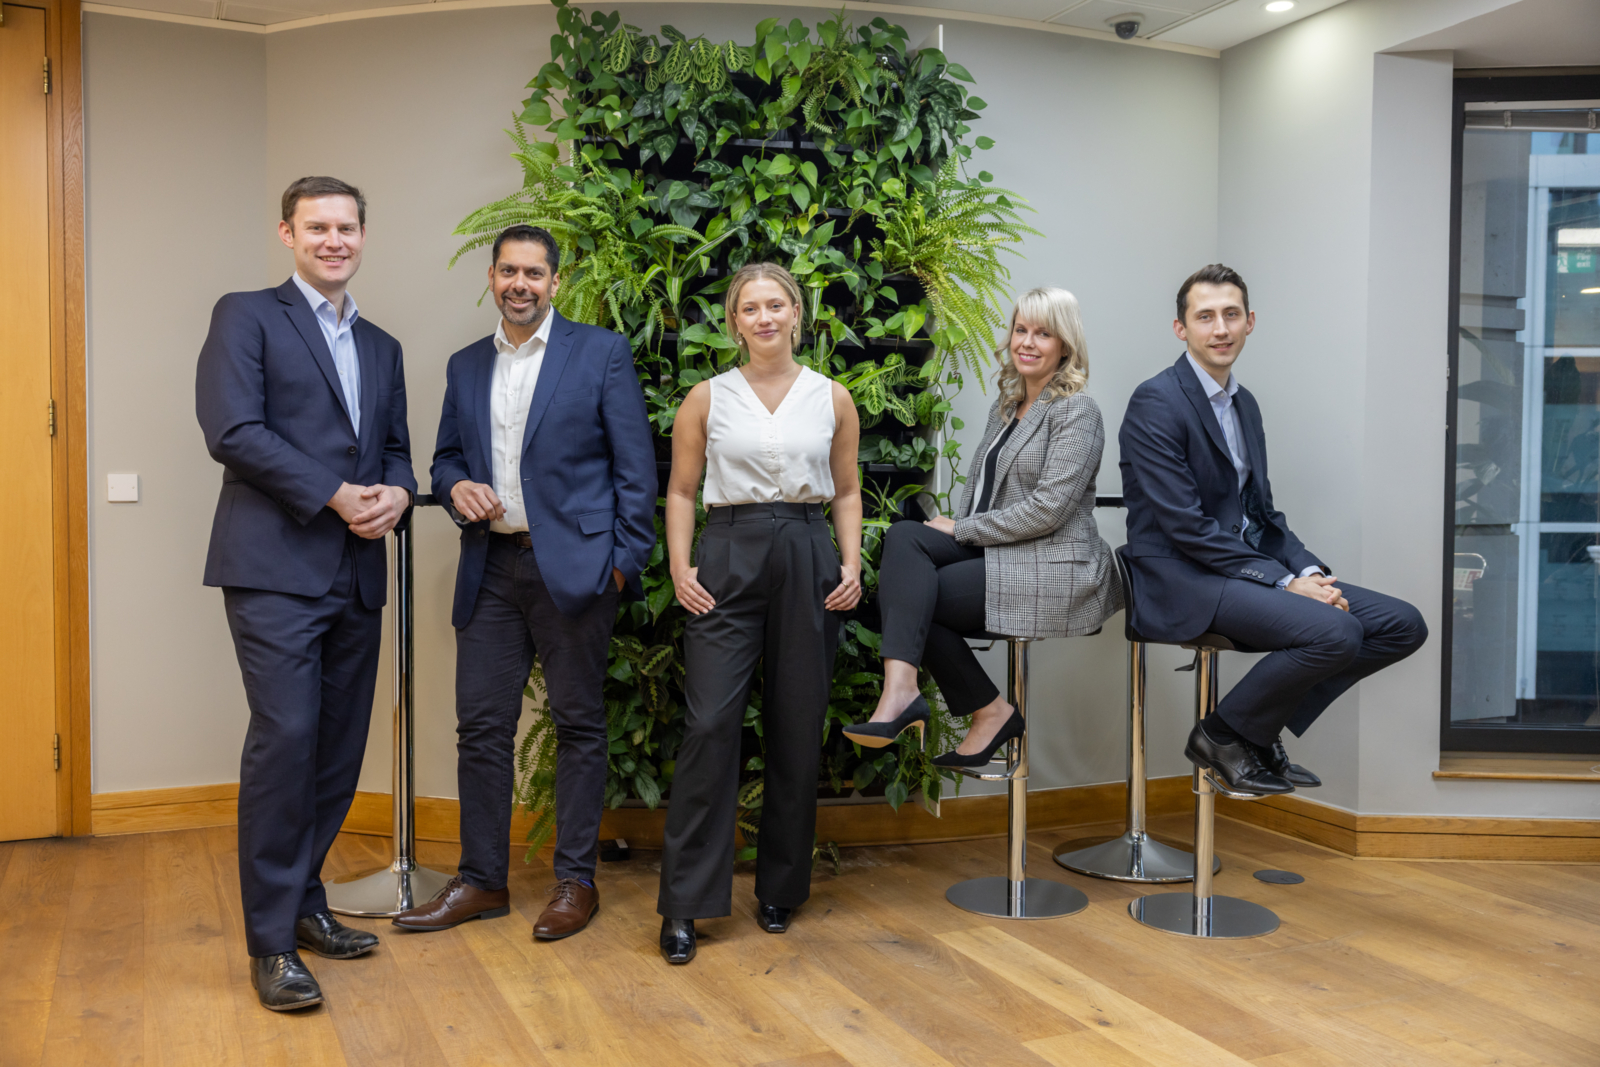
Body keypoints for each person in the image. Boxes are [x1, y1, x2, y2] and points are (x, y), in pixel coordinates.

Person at [394, 225, 657, 941]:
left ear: (555, 282)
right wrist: (457, 489)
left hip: (575, 571)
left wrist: (622, 563)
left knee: (577, 725)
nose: (520, 284)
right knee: (481, 728)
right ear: (490, 277)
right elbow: (445, 459)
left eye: (534, 273)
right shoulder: (465, 364)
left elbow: (637, 470)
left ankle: (576, 881)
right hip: (491, 567)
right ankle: (482, 879)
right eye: (508, 271)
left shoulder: (599, 352)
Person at [196, 176, 416, 1011]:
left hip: (358, 571)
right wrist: (333, 492)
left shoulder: (384, 345)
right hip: (275, 568)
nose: (334, 239)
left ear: (363, 236)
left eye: (347, 227)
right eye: (317, 226)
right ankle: (272, 942)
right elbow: (232, 430)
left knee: (335, 752)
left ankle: (307, 901)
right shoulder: (246, 315)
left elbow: (393, 449)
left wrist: (394, 494)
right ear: (286, 232)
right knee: (285, 743)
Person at [1119, 263, 1427, 795]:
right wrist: (1285, 584)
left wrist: (1309, 572)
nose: (1220, 328)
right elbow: (1186, 527)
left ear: (1250, 321)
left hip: (1238, 573)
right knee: (1336, 631)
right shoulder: (1157, 400)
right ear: (1181, 328)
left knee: (1402, 624)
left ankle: (1253, 730)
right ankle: (1222, 735)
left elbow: (1261, 515)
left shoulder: (1244, 403)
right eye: (1205, 316)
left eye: (1231, 315)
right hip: (1178, 578)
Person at [656, 262, 863, 965]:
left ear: (798, 314)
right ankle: (685, 902)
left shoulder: (832, 397)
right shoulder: (706, 398)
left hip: (808, 551)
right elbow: (682, 491)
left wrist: (852, 562)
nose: (765, 316)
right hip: (729, 549)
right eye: (751, 307)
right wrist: (683, 566)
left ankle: (781, 885)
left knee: (797, 723)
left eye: (777, 304)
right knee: (710, 722)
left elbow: (846, 489)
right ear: (734, 320)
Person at [843, 287, 1120, 764]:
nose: (1027, 342)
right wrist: (962, 528)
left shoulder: (1078, 411)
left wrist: (963, 530)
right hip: (1003, 550)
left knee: (918, 597)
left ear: (1065, 346)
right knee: (905, 536)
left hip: (1056, 564)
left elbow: (1048, 510)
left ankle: (981, 710)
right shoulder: (1006, 409)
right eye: (1021, 330)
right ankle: (911, 690)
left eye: (1043, 333)